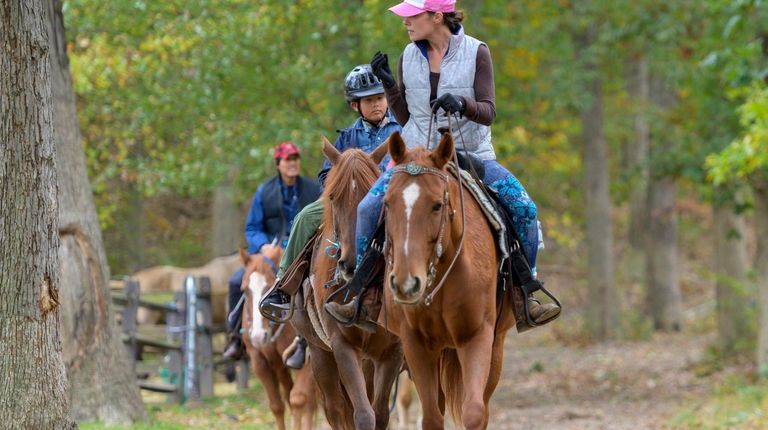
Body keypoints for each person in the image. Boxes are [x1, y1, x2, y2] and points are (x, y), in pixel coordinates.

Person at [325, 0, 561, 326]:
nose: (406, 23)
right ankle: (365, 294)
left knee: (524, 208)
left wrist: (462, 104)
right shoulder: (409, 55)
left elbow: (489, 110)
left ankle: (526, 292)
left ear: (437, 17)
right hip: (416, 157)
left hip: (471, 154)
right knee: (367, 209)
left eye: (413, 16)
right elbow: (407, 116)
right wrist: (391, 86)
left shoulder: (477, 51)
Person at [259, 64, 403, 349]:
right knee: (304, 217)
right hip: (350, 201)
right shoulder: (347, 136)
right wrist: (337, 191)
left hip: (390, 197)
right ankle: (283, 286)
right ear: (355, 105)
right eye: (368, 100)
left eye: (380, 97)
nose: (376, 103)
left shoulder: (401, 131)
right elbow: (327, 172)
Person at [222, 141, 321, 362]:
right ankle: (235, 337)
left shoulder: (314, 189)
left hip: (303, 250)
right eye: (288, 159)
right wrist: (265, 245)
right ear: (278, 164)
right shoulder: (264, 191)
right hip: (267, 253)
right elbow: (252, 228)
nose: (293, 163)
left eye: (295, 158)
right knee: (235, 281)